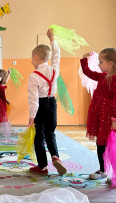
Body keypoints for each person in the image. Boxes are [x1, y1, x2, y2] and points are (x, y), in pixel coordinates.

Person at [80, 48, 116, 180]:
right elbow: (87, 72)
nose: (98, 65)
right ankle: (103, 170)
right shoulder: (102, 76)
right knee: (100, 144)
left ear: (110, 63)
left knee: (112, 146)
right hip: (100, 116)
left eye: (101, 62)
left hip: (109, 118)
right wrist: (84, 59)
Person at [27, 29, 66, 176]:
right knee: (51, 133)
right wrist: (52, 39)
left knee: (39, 136)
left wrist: (32, 116)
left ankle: (42, 166)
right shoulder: (53, 69)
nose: (31, 60)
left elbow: (33, 99)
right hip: (52, 104)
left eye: (32, 57)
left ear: (36, 57)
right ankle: (55, 156)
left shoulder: (34, 76)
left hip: (41, 106)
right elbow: (57, 55)